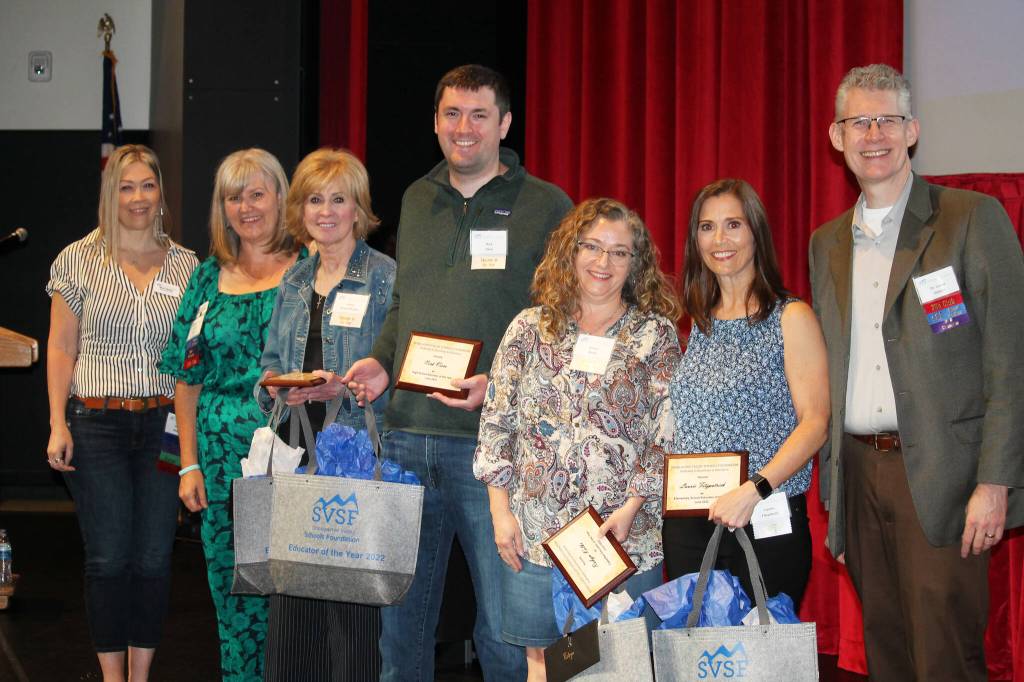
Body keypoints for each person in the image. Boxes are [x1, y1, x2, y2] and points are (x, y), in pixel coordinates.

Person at [343, 64, 573, 681]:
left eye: (478, 115)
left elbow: (565, 325)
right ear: (435, 122)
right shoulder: (418, 199)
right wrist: (382, 362)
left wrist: (499, 385)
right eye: (451, 114)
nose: (463, 128)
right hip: (405, 437)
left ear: (504, 123)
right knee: (402, 634)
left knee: (504, 635)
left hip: (493, 455)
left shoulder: (547, 206)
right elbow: (402, 305)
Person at [810, 63, 1024, 681]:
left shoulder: (971, 219)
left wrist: (995, 482)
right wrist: (836, 494)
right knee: (887, 652)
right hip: (859, 473)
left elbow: (1011, 362)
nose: (872, 134)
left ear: (912, 131)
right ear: (835, 136)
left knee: (944, 658)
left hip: (944, 478)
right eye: (858, 122)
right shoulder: (827, 243)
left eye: (887, 120)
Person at [474, 197, 682, 680]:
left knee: (617, 666)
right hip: (535, 536)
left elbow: (666, 433)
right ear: (570, 252)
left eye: (619, 252)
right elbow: (496, 422)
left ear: (637, 263)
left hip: (622, 538)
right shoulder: (529, 328)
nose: (603, 262)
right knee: (545, 668)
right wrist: (499, 512)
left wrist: (630, 510)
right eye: (591, 247)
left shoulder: (655, 334)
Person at [45, 144, 199, 682]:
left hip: (162, 425)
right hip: (96, 425)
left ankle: (142, 675)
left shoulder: (187, 265)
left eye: (147, 185)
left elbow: (190, 360)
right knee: (109, 559)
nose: (138, 197)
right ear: (111, 194)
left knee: (155, 559)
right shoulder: (76, 259)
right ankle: (112, 678)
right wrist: (56, 423)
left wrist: (190, 446)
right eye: (126, 186)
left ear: (161, 194)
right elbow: (62, 346)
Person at [160, 148, 300, 680]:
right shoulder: (205, 278)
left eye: (257, 193)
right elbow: (186, 376)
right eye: (233, 196)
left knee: (289, 592)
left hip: (290, 455)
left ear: (280, 198)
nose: (246, 207)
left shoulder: (308, 268)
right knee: (233, 595)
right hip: (218, 464)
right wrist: (187, 463)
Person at [257, 148, 395, 681]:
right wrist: (278, 392)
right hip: (296, 455)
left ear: (358, 209)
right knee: (294, 608)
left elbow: (395, 370)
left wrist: (344, 387)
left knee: (354, 613)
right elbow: (268, 367)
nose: (327, 211)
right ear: (300, 209)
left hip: (354, 455)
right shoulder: (293, 280)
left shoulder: (384, 278)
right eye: (315, 199)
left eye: (339, 199)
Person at [661, 179, 829, 611]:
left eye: (733, 224)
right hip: (691, 526)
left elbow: (815, 423)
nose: (719, 240)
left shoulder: (791, 316)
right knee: (701, 662)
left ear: (756, 232)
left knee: (761, 660)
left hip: (764, 515)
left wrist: (754, 488)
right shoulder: (698, 323)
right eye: (707, 227)